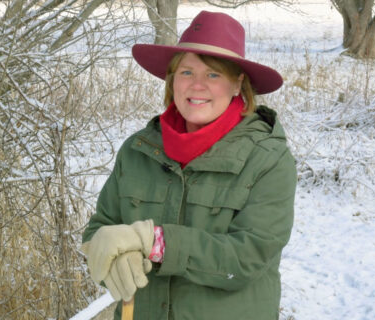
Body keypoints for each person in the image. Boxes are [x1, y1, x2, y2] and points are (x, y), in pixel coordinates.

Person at [81, 10, 297, 320]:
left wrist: (156, 243)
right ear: (171, 79)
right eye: (186, 72)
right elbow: (99, 231)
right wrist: (112, 260)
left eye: (213, 74)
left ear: (238, 84)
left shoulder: (267, 159)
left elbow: (248, 256)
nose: (197, 86)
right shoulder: (137, 151)